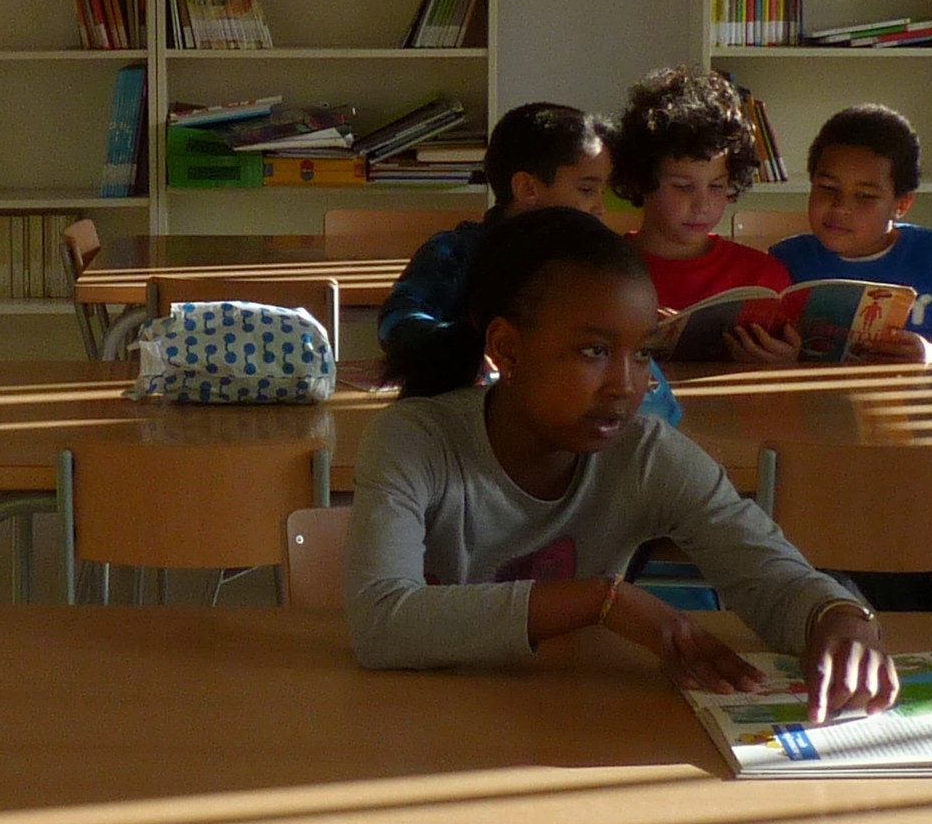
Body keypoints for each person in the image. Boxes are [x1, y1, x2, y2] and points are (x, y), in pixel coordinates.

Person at [347, 207, 895, 720]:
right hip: (416, 723)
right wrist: (602, 600)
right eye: (595, 351)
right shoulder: (415, 440)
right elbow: (382, 623)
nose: (627, 386)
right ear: (507, 350)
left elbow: (771, 576)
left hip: (566, 721)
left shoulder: (646, 454)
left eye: (643, 353)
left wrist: (842, 619)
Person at [375, 101, 613, 398]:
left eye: (602, 191)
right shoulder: (457, 252)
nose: (600, 208)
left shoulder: (592, 263)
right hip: (465, 412)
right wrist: (466, 350)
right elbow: (397, 322)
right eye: (587, 190)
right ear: (527, 188)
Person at [771, 105, 932, 365]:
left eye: (865, 196)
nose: (840, 207)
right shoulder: (785, 259)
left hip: (921, 392)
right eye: (827, 187)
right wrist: (780, 360)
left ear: (901, 205)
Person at [610, 66, 797, 364]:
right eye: (682, 187)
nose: (702, 205)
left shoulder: (762, 276)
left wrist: (786, 361)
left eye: (717, 186)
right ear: (641, 180)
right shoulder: (603, 271)